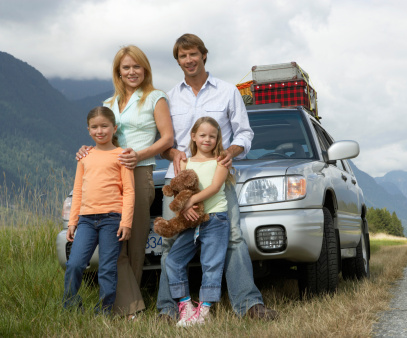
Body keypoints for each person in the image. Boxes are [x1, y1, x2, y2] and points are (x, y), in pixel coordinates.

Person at [157, 33, 278, 321]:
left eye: (193, 54)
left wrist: (232, 151)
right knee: (170, 244)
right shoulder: (170, 97)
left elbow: (245, 133)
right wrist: (172, 153)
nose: (188, 60)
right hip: (179, 185)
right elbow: (162, 141)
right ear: (178, 61)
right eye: (182, 56)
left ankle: (248, 305)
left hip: (217, 183)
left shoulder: (227, 91)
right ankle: (168, 309)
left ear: (203, 55)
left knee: (234, 239)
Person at [76, 45, 174, 318]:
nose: (131, 72)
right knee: (112, 244)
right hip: (108, 178)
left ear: (145, 69)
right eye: (126, 68)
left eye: (136, 67)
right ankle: (129, 307)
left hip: (140, 173)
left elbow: (167, 138)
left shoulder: (156, 98)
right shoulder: (108, 104)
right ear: (118, 72)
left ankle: (126, 308)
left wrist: (139, 154)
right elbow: (102, 135)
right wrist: (87, 150)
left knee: (134, 242)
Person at [63, 107, 135, 315]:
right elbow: (78, 191)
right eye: (94, 127)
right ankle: (70, 307)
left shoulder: (121, 155)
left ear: (114, 128)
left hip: (112, 220)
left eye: (104, 126)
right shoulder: (84, 157)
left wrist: (126, 222)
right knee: (75, 264)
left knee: (107, 268)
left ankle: (104, 311)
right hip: (85, 220)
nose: (100, 131)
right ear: (88, 130)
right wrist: (72, 222)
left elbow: (129, 191)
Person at [166, 116, 231, 326]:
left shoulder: (220, 161)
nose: (207, 139)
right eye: (202, 135)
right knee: (174, 259)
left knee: (211, 264)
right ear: (193, 136)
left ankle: (204, 311)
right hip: (191, 221)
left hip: (215, 218)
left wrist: (189, 201)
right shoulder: (185, 161)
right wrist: (185, 208)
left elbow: (213, 187)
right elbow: (180, 189)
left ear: (217, 139)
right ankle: (185, 306)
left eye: (212, 136)